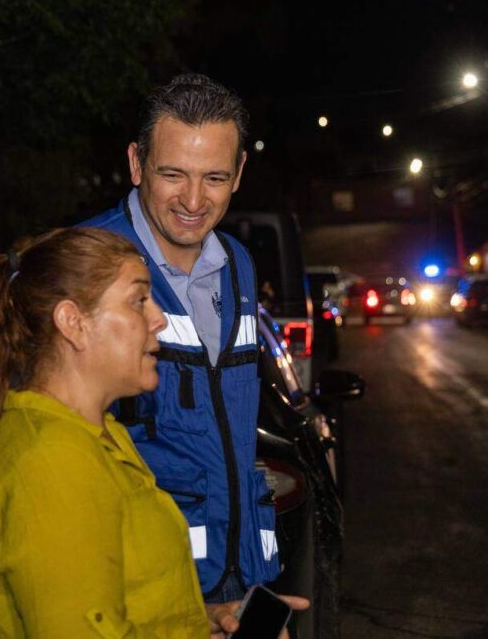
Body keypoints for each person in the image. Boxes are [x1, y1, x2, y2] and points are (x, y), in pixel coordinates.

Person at [82, 74, 310, 622]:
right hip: (142, 597)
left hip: (240, 589)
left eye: (213, 177)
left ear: (238, 176)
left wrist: (246, 591)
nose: (192, 200)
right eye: (172, 174)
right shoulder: (87, 264)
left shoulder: (238, 265)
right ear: (137, 165)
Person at [0, 227, 215, 638]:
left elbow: (114, 605)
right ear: (73, 322)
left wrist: (199, 624)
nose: (159, 319)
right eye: (139, 300)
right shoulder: (50, 463)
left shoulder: (100, 435)